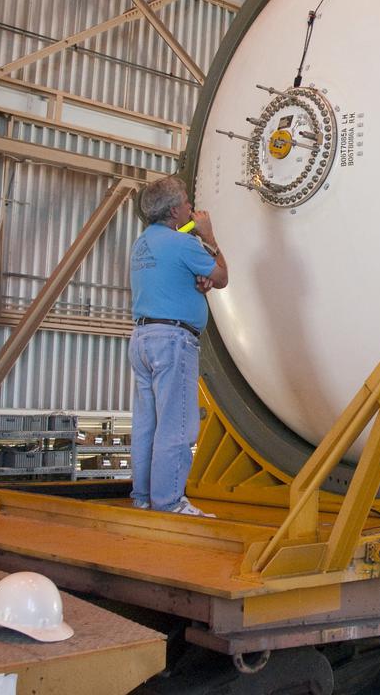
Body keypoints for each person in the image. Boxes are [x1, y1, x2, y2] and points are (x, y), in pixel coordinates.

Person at [128, 175, 228, 515]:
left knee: (148, 425)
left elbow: (174, 274)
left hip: (142, 340)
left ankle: (143, 497)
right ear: (174, 211)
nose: (191, 207)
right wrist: (208, 236)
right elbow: (221, 277)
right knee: (177, 424)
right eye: (186, 203)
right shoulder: (183, 244)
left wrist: (194, 278)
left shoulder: (143, 243)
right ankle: (169, 502)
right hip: (173, 342)